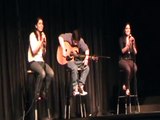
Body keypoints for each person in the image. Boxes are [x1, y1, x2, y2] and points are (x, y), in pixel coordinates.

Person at [28, 17, 54, 100]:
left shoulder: (43, 35)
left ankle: (44, 93)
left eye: (42, 23)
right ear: (36, 25)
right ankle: (36, 94)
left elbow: (43, 54)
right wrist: (41, 41)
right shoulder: (32, 35)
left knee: (51, 73)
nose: (41, 25)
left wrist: (44, 46)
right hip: (33, 61)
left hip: (41, 61)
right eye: (39, 23)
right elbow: (34, 51)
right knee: (42, 73)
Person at [58, 29, 90, 96]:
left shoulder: (80, 40)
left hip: (76, 60)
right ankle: (75, 88)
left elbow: (86, 49)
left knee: (87, 68)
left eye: (77, 42)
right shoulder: (69, 36)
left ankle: (80, 86)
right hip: (68, 60)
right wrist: (63, 48)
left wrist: (86, 59)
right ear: (72, 38)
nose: (76, 43)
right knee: (74, 68)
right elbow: (60, 37)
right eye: (74, 41)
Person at [118, 23, 138, 96]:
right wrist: (128, 44)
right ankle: (128, 89)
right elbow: (122, 51)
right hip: (122, 60)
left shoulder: (132, 39)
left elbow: (135, 52)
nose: (128, 30)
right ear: (124, 30)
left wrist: (133, 43)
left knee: (135, 68)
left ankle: (125, 83)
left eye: (129, 28)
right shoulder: (121, 39)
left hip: (130, 60)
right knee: (128, 69)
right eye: (126, 28)